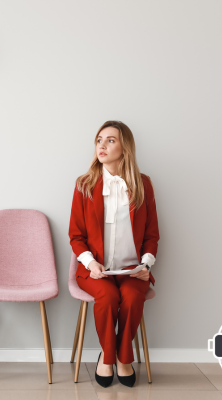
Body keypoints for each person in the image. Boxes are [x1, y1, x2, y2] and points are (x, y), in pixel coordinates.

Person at [68, 120, 160, 388]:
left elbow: (152, 235)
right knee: (107, 298)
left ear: (125, 147)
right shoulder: (84, 185)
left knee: (131, 297)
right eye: (99, 140)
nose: (102, 145)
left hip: (132, 270)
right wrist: (90, 262)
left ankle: (121, 357)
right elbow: (76, 235)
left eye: (110, 140)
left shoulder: (144, 185)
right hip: (95, 270)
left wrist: (146, 264)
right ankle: (110, 358)